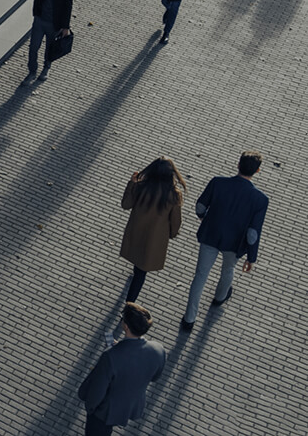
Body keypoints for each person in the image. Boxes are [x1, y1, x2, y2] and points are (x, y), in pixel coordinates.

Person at [180, 151, 270, 332]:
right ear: (258, 170)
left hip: (211, 235)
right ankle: (220, 297)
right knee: (228, 269)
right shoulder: (260, 199)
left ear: (238, 165)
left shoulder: (217, 182)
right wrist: (251, 258)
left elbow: (200, 207)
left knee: (200, 276)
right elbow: (253, 233)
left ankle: (189, 319)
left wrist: (202, 217)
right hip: (234, 243)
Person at [78, 302, 166, 435]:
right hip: (130, 405)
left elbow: (97, 391)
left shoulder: (110, 357)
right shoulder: (158, 350)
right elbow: (155, 377)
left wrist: (90, 407)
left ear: (125, 326)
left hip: (105, 411)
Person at [119, 157, 186, 303]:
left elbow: (126, 204)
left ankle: (130, 298)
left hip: (136, 234)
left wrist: (132, 183)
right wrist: (172, 234)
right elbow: (176, 221)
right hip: (153, 241)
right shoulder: (174, 195)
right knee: (141, 272)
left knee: (138, 265)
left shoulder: (141, 186)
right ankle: (130, 304)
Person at [21, 0, 74, 86]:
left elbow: (68, 6)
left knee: (50, 48)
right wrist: (36, 13)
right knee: (33, 47)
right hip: (40, 20)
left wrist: (65, 27)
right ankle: (32, 72)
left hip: (54, 23)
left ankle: (46, 67)